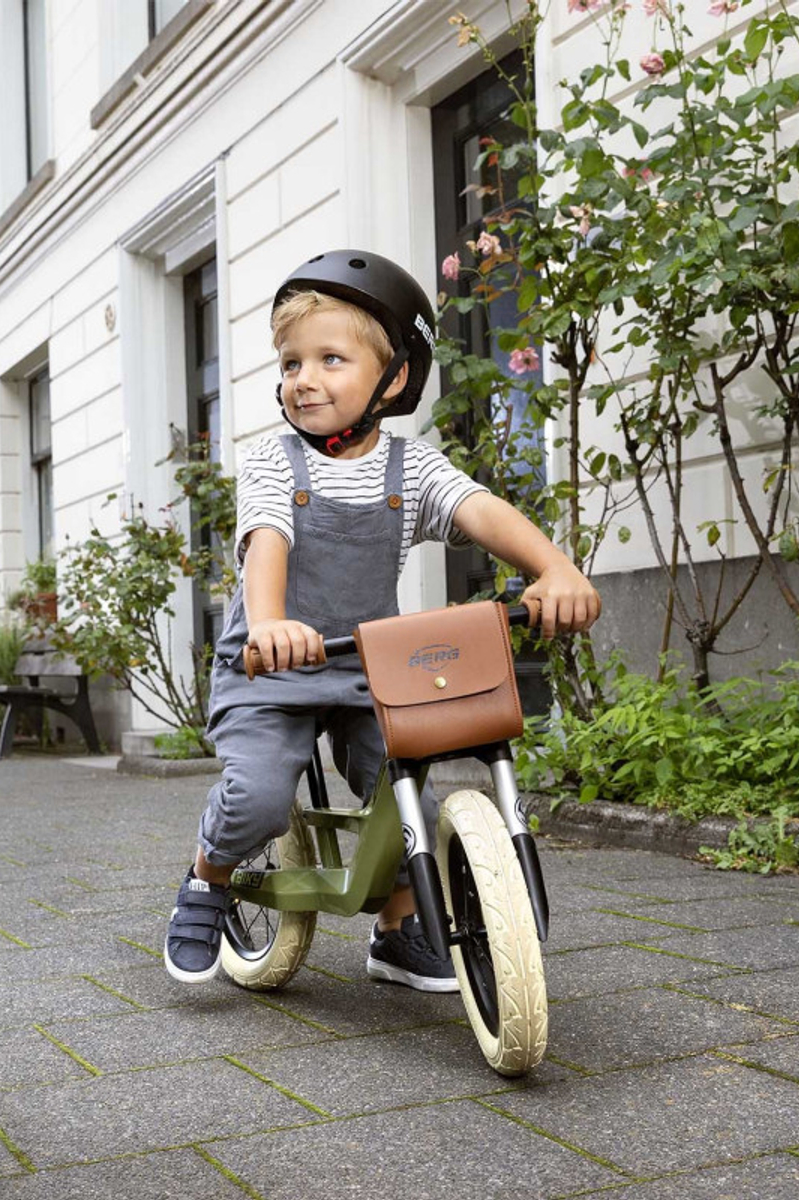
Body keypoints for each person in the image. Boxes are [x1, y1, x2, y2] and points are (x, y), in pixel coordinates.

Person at [164, 249, 601, 988]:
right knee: (262, 794)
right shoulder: (274, 465)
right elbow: (265, 543)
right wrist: (269, 623)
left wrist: (553, 568)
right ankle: (208, 875)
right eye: (291, 362)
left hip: (366, 668)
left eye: (329, 359)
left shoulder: (414, 467)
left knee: (405, 799)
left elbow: (482, 511)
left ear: (392, 378)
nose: (303, 379)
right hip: (271, 668)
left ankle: (398, 928)